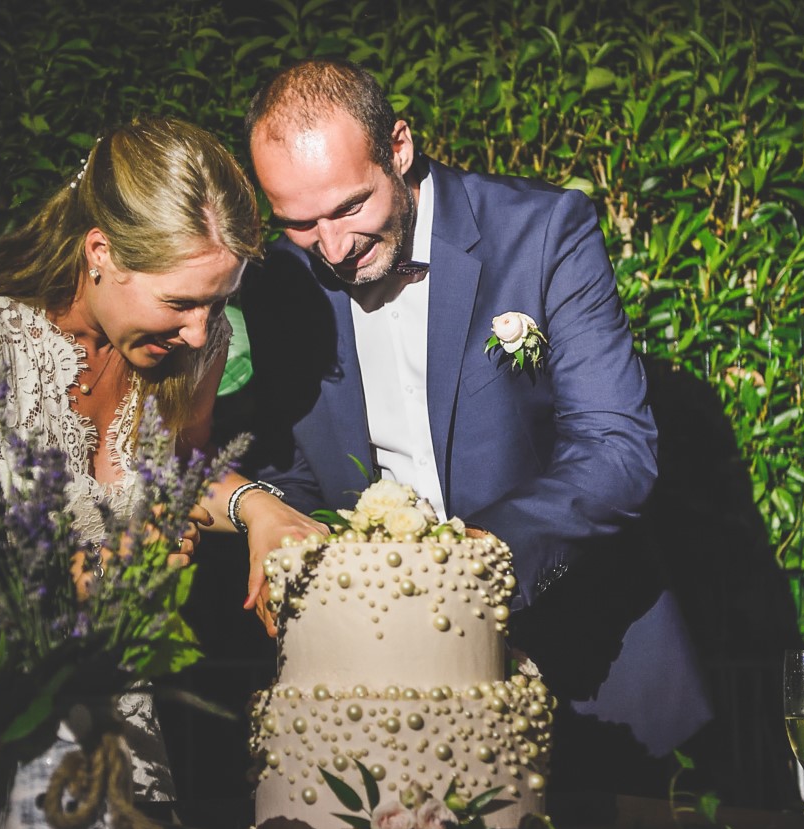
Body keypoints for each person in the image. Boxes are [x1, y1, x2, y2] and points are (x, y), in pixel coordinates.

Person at [0, 115, 324, 829]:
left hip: (116, 743)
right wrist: (71, 580)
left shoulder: (193, 347)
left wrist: (255, 507)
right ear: (100, 253)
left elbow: (178, 469)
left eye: (219, 301)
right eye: (181, 301)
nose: (203, 330)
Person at [238, 60, 712, 791]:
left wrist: (480, 559)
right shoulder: (284, 280)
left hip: (588, 660)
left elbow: (617, 450)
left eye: (349, 207)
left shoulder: (544, 232)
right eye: (300, 223)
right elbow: (296, 460)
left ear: (399, 147)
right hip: (385, 696)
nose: (332, 249)